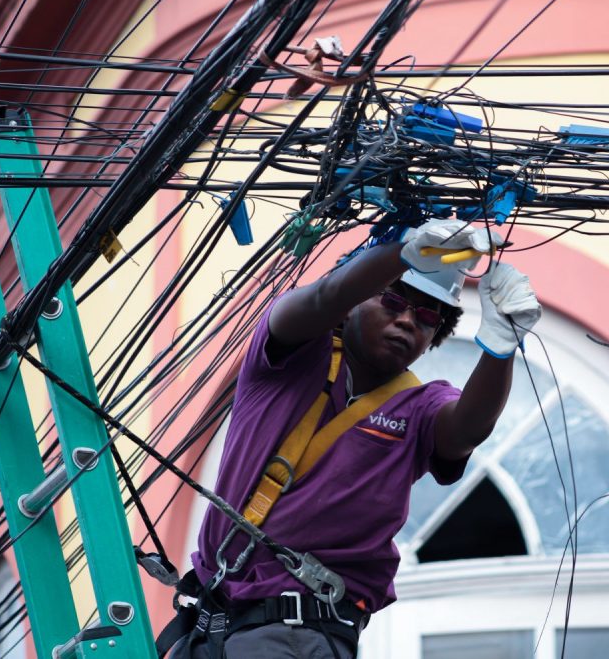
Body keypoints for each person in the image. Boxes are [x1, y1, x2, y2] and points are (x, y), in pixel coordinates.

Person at [167, 219, 541, 658]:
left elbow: (466, 428)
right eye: (393, 301)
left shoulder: (418, 406)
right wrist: (400, 252)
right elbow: (324, 297)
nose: (407, 321)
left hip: (299, 633)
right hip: (212, 625)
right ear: (352, 306)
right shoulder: (291, 356)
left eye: (426, 316)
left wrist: (500, 348)